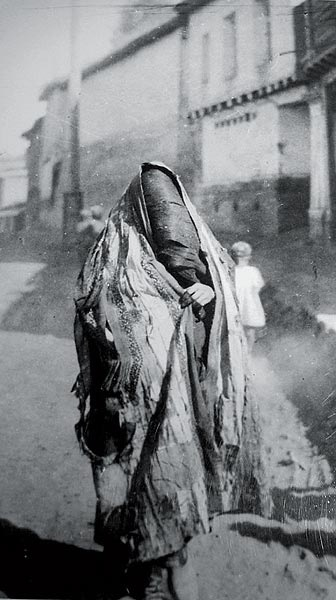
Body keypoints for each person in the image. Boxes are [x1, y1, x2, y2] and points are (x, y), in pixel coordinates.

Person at [72, 163, 267, 600]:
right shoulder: (112, 267)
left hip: (170, 425)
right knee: (138, 542)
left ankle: (165, 565)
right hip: (124, 421)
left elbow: (210, 335)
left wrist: (206, 296)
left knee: (173, 535)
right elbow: (104, 339)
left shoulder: (180, 279)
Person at [231, 241, 266, 353]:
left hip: (249, 304)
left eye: (242, 257)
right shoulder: (231, 271)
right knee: (234, 332)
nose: (239, 260)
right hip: (235, 304)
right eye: (237, 257)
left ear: (248, 257)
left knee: (249, 331)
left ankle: (248, 354)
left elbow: (258, 287)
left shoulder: (252, 271)